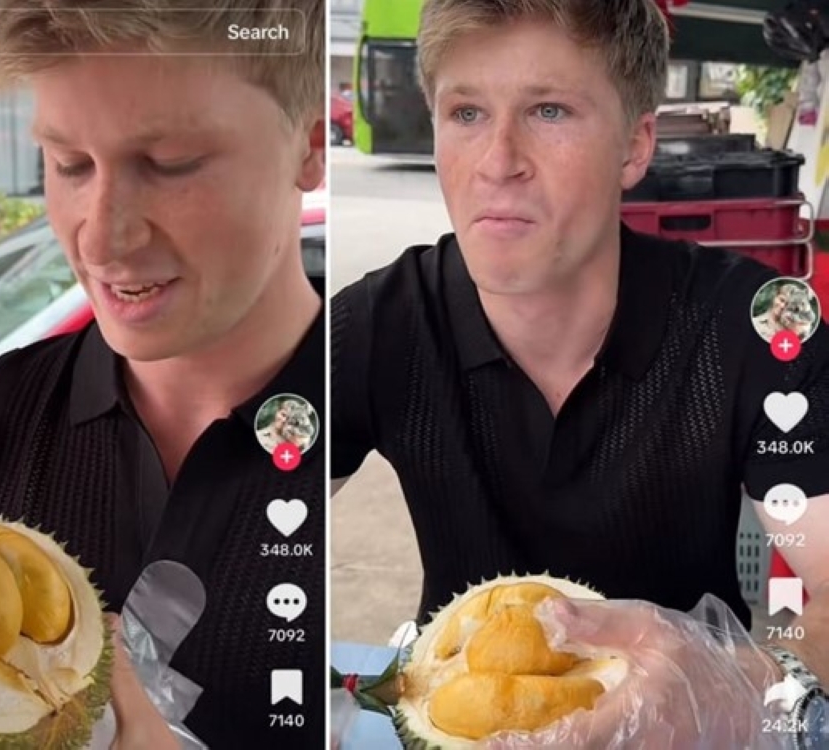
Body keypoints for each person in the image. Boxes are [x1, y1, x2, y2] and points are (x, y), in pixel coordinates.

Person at [331, 0, 829, 746]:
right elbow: (237, 534)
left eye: (550, 110)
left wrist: (735, 685)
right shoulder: (381, 326)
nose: (498, 160)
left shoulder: (755, 325)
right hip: (457, 719)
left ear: (635, 145)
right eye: (466, 112)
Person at [0, 1, 326, 748]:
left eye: (170, 164)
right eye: (68, 164)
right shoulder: (8, 409)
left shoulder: (398, 420)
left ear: (310, 147)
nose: (102, 235)